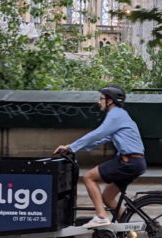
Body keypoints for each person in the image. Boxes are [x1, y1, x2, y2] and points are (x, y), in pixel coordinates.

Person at [54, 86, 146, 229]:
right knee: (108, 197)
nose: (99, 102)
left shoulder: (115, 115)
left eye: (101, 99)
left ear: (110, 101)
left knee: (89, 177)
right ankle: (126, 229)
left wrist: (71, 147)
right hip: (135, 162)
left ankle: (101, 217)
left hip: (128, 161)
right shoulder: (120, 115)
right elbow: (103, 138)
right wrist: (78, 148)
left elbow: (98, 133)